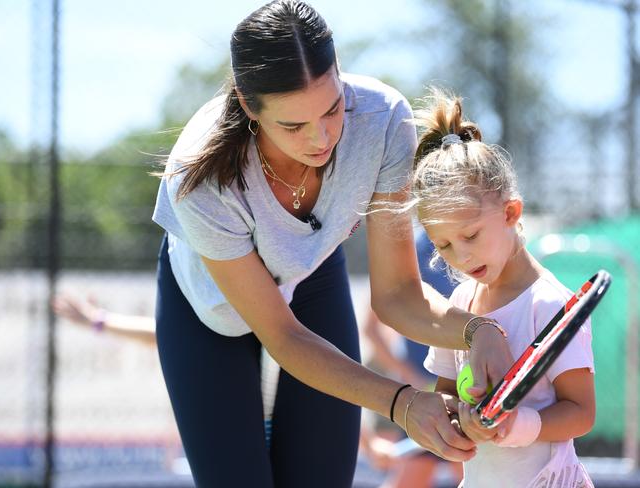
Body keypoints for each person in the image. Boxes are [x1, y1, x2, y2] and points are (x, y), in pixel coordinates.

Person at [151, 2, 512, 487]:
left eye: (332, 107)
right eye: (293, 126)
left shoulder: (383, 121)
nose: (322, 138)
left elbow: (398, 295)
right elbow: (283, 336)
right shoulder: (199, 178)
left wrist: (478, 331)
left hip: (313, 273)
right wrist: (403, 403)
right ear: (247, 103)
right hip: (209, 310)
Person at [411, 88, 596, 487]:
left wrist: (514, 425)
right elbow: (445, 395)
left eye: (471, 235)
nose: (459, 256)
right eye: (443, 245)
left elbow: (581, 412)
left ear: (510, 212)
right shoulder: (460, 305)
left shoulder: (548, 303)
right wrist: (461, 418)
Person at [360, 232, 464, 488]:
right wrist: (408, 375)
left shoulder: (473, 245)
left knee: (470, 471)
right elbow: (371, 328)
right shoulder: (412, 248)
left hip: (466, 394)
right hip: (424, 398)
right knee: (415, 474)